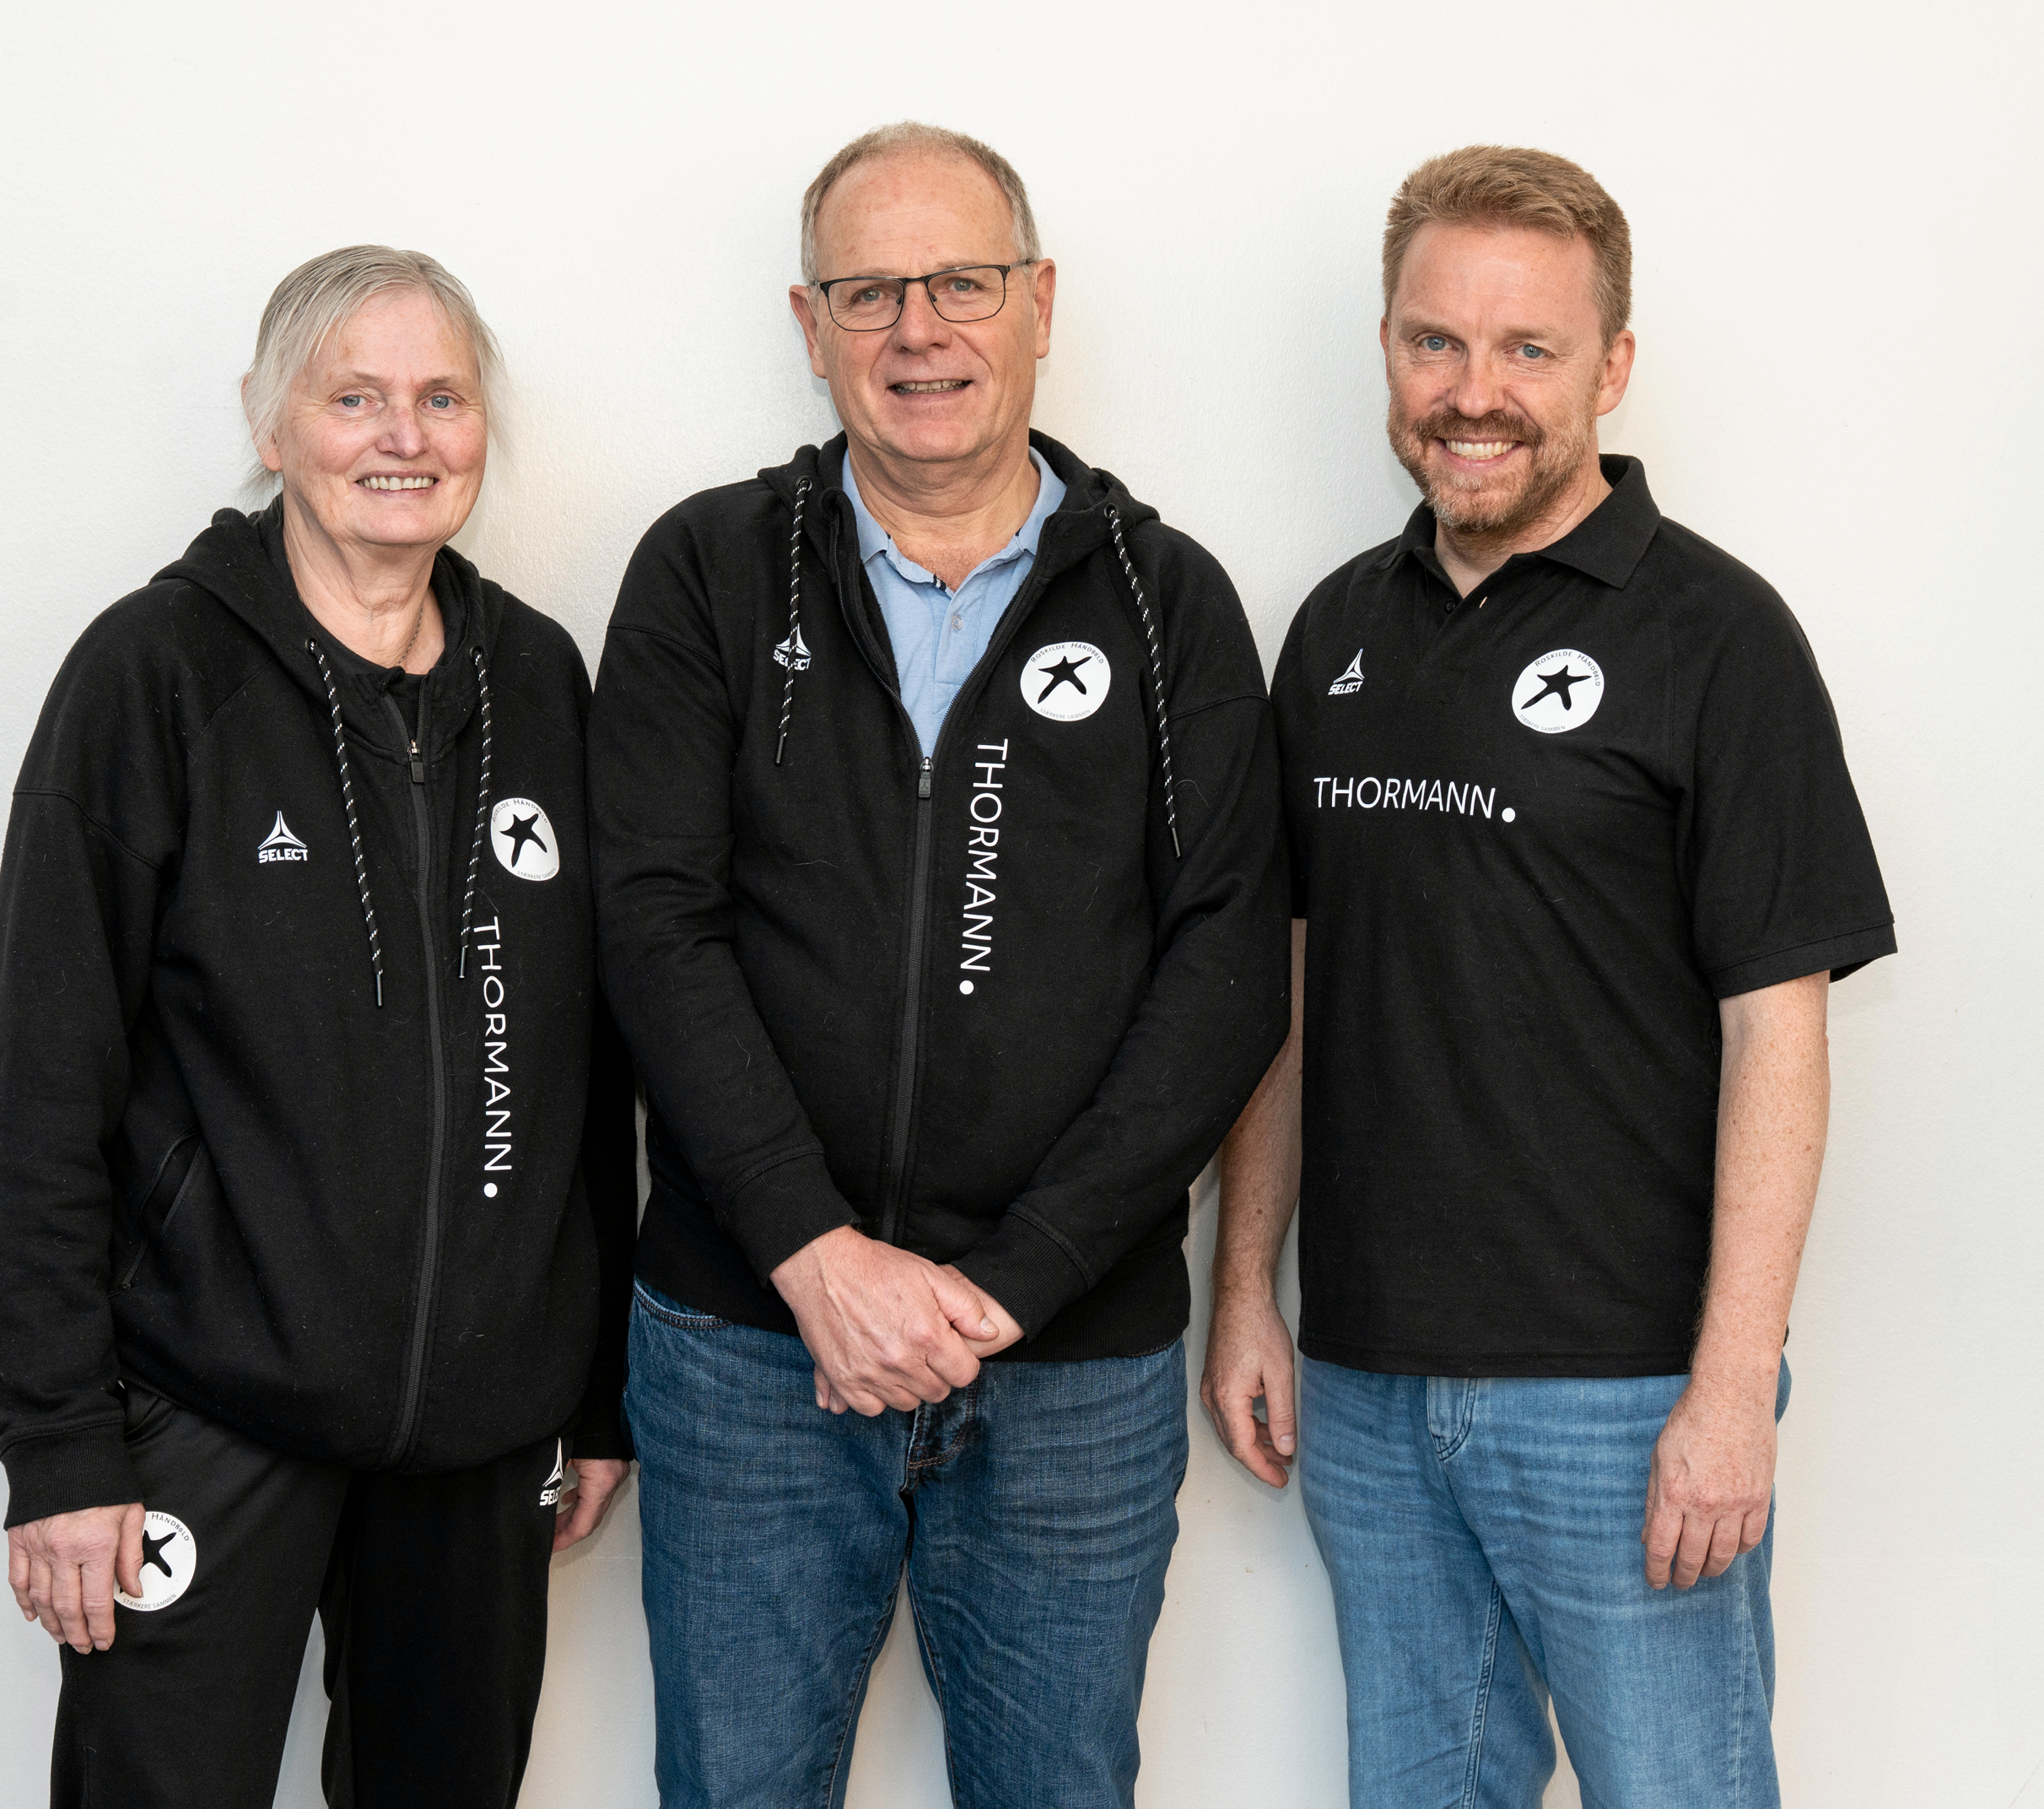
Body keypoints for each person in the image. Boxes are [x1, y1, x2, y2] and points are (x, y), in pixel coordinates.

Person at [591, 122, 1289, 1809]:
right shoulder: (704, 571)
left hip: (1072, 1361)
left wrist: (1016, 1280)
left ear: (1038, 301)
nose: (921, 329)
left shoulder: (1166, 599)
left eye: (963, 280)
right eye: (870, 289)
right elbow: (650, 926)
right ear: (808, 320)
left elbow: (1227, 971)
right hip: (749, 1341)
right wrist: (817, 1259)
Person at [1203, 147, 1896, 1808]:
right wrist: (1246, 1285)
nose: (1476, 394)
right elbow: (1286, 994)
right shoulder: (1330, 636)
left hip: (1628, 1386)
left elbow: (1777, 1029)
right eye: (1437, 342)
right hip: (1367, 1383)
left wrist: (1734, 1384)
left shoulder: (1717, 637)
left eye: (1528, 350)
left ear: (1613, 366)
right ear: (1387, 350)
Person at [0, 245, 636, 1809]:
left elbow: (590, 1076)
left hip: (481, 1435)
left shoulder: (537, 679)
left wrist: (589, 1387)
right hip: (211, 1410)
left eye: (442, 397)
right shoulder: (153, 674)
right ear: (273, 428)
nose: (403, 435)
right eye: (355, 396)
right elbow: (39, 1092)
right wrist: (59, 1448)